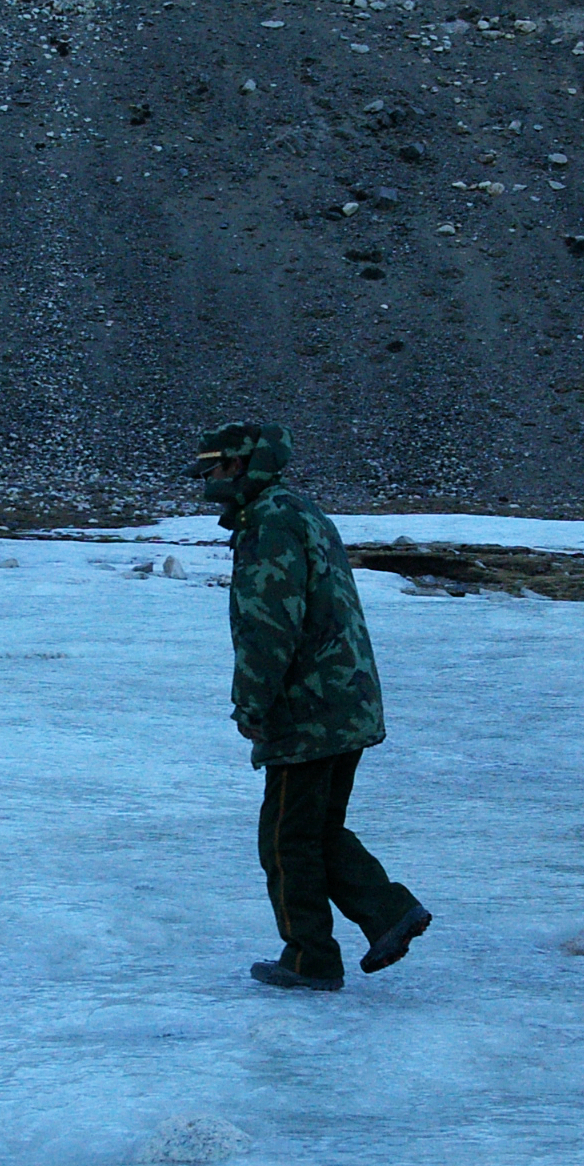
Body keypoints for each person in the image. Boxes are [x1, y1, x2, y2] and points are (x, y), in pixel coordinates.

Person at [192, 422, 431, 992]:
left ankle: (310, 958)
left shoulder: (268, 522)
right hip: (344, 700)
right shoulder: (299, 510)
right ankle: (388, 913)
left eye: (216, 467)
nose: (208, 479)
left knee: (285, 837)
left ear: (244, 465)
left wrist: (252, 704)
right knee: (317, 828)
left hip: (309, 709)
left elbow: (268, 626)